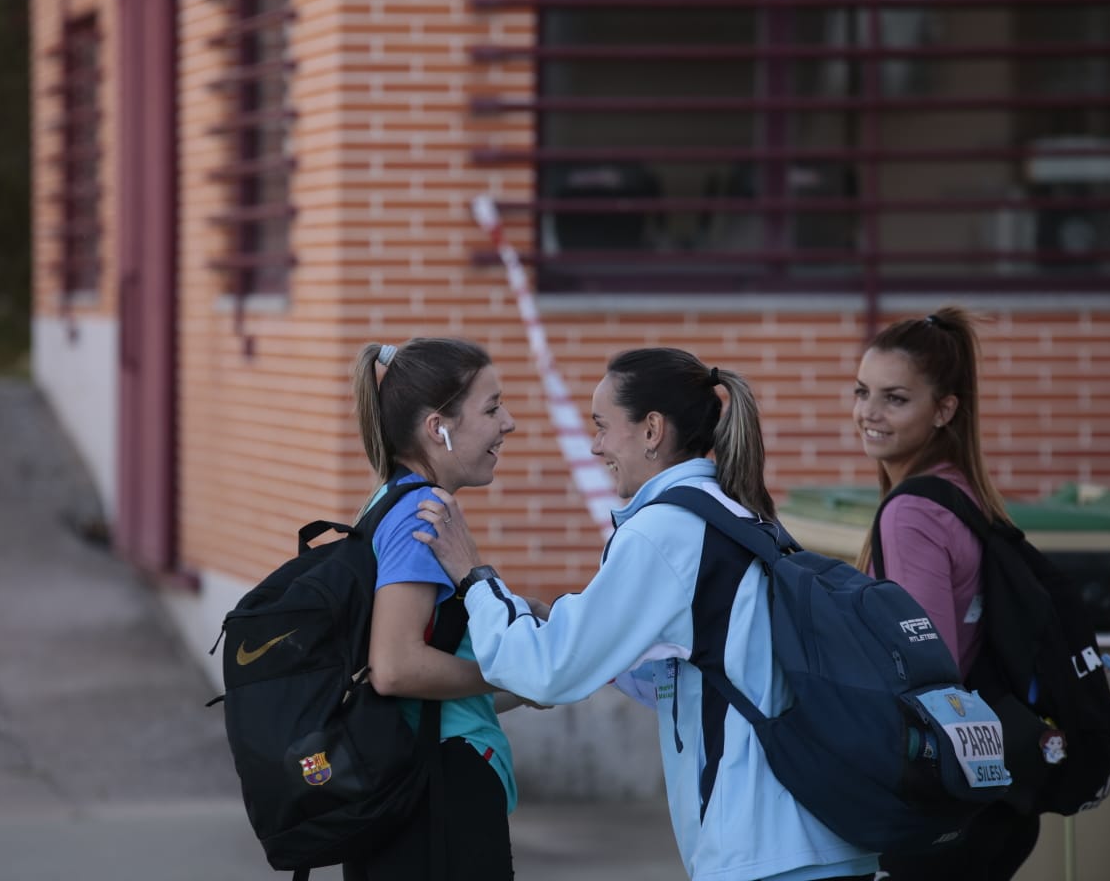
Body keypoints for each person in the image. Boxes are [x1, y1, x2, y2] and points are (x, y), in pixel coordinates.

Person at [413, 347, 878, 881]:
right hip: (815, 837)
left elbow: (546, 670)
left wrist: (474, 576)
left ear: (652, 430)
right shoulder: (737, 512)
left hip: (766, 849)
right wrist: (572, 628)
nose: (596, 446)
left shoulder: (663, 531)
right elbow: (693, 672)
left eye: (602, 426)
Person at [852, 306, 1039, 880]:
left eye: (895, 398)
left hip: (941, 806)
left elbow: (927, 670)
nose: (869, 412)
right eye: (862, 392)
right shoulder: (962, 491)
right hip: (994, 793)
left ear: (944, 409)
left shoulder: (911, 513)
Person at [346, 337, 531, 881]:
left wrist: (527, 676)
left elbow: (434, 688)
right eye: (492, 408)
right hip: (440, 789)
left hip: (419, 780)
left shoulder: (388, 500)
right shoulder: (421, 515)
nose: (509, 423)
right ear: (438, 428)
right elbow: (396, 667)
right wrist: (508, 668)